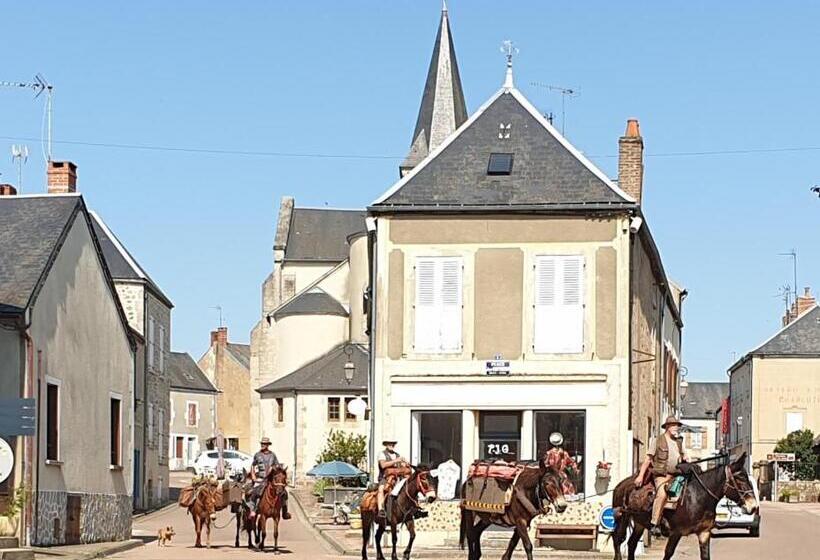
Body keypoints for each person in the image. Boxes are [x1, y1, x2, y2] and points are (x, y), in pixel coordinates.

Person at [634, 416, 688, 536]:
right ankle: (654, 523)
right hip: (662, 475)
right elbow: (648, 459)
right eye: (674, 426)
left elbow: (685, 456)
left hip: (677, 475)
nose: (677, 428)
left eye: (677, 426)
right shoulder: (658, 441)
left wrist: (686, 459)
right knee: (662, 494)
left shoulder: (679, 442)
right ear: (668, 427)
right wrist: (640, 476)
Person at [250, 436, 291, 520]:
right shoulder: (257, 455)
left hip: (271, 479)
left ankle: (284, 512)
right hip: (261, 478)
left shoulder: (273, 455)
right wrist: (253, 475)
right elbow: (253, 465)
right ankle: (253, 510)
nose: (262, 445)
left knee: (284, 493)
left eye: (264, 444)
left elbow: (277, 466)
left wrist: (274, 468)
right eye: (262, 443)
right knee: (254, 492)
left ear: (268, 445)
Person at [377, 437, 407, 519]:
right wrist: (396, 461)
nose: (392, 445)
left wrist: (404, 464)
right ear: (386, 445)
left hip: (397, 478)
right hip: (385, 478)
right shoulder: (382, 454)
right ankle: (381, 509)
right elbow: (383, 465)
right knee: (381, 489)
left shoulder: (397, 455)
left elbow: (400, 466)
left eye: (393, 443)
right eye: (390, 443)